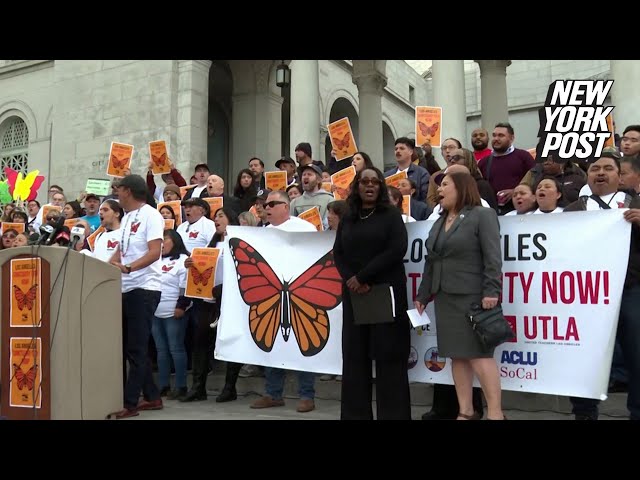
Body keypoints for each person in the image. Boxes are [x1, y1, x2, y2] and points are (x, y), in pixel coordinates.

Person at [415, 171, 505, 420]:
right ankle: (465, 411)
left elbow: (493, 258)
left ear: (462, 187)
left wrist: (491, 291)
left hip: (473, 296)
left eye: (445, 185)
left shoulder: (482, 215)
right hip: (445, 297)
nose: (439, 190)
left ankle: (495, 413)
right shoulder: (439, 221)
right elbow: (431, 261)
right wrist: (423, 295)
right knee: (458, 355)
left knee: (479, 355)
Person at [564, 152, 640, 420]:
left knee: (636, 353)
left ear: (619, 177)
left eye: (608, 168)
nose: (601, 172)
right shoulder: (574, 209)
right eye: (595, 168)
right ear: (588, 176)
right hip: (588, 296)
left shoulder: (637, 204)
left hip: (631, 290)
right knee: (585, 356)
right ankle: (584, 412)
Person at [333, 166, 411, 420]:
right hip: (356, 295)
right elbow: (339, 253)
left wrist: (363, 277)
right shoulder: (348, 216)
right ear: (356, 186)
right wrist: (351, 280)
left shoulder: (390, 215)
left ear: (380, 187)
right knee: (355, 359)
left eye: (375, 182)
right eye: (364, 181)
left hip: (385, 293)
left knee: (389, 359)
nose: (369, 186)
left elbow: (396, 249)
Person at [250, 190, 318, 413]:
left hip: (300, 295)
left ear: (286, 207)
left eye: (271, 204)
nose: (266, 208)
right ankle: (273, 393)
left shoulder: (304, 228)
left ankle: (307, 395)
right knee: (273, 344)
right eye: (264, 205)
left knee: (302, 344)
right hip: (272, 296)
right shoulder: (262, 233)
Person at [109, 175, 165, 419]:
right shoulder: (128, 217)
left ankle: (130, 403)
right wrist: (108, 263)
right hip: (126, 288)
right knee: (129, 347)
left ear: (128, 191)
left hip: (144, 288)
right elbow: (121, 250)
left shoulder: (151, 215)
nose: (116, 194)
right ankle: (152, 397)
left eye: (119, 190)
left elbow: (155, 252)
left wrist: (130, 268)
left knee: (137, 348)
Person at [152, 229, 191, 400]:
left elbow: (186, 286)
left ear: (174, 241)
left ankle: (181, 386)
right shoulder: (155, 260)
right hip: (155, 311)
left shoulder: (184, 260)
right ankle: (164, 385)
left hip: (174, 311)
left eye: (164, 240)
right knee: (161, 350)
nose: (161, 244)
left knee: (176, 349)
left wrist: (181, 306)